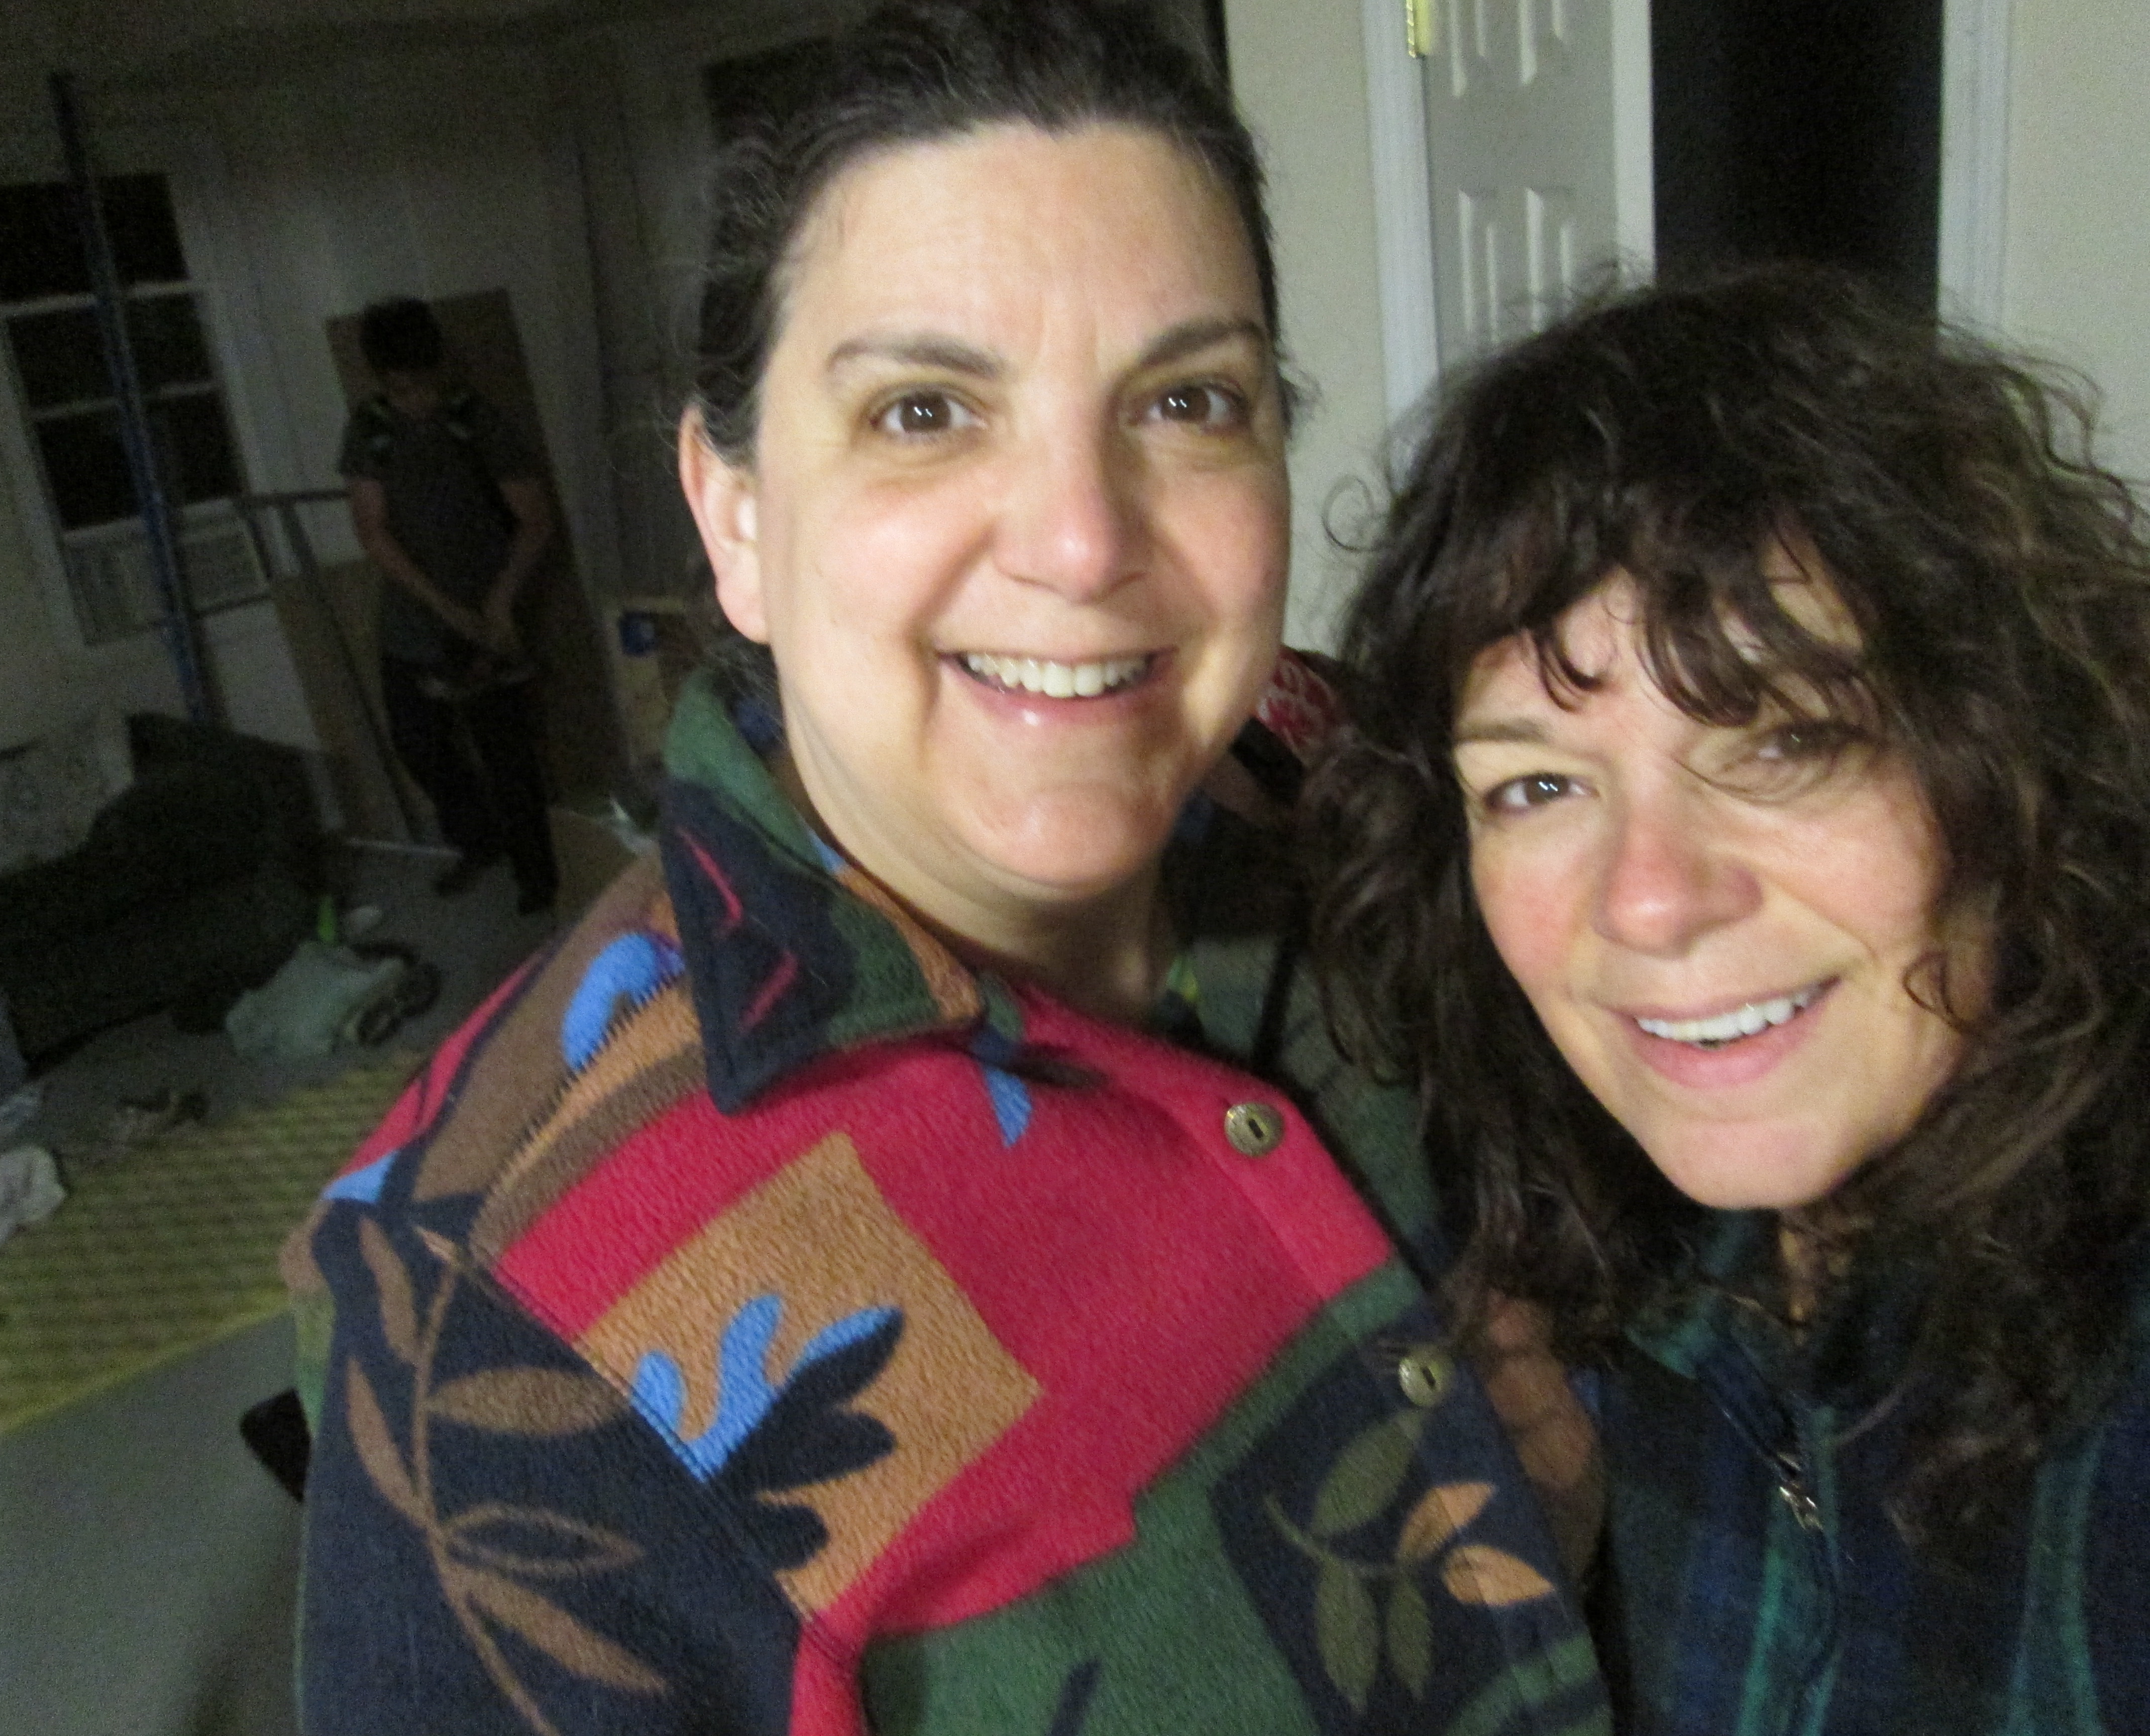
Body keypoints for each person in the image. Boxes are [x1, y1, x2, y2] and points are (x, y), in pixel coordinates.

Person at [283, 4, 1608, 1731]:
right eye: (923, 409)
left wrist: (1551, 1527)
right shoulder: (485, 1308)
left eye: (1186, 400)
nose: (1081, 542)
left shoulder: (1352, 803)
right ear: (734, 513)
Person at [1311, 264, 2150, 1734]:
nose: (1649, 898)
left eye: (1781, 743)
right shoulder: (1613, 1262)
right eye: (1537, 785)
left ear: (2016, 757)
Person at [341, 295, 559, 914]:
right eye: (399, 389)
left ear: (439, 368)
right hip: (415, 615)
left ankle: (538, 877)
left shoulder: (477, 422)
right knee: (418, 743)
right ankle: (479, 839)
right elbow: (372, 532)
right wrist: (441, 607)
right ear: (382, 381)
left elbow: (536, 520)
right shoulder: (371, 431)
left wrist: (499, 603)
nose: (414, 400)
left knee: (506, 752)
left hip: (487, 608)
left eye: (422, 384)